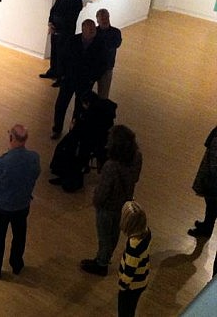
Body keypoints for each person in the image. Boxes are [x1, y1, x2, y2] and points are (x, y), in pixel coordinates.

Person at [0, 124, 40, 279]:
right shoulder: (34, 158)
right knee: (19, 235)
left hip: (2, 207)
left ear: (11, 138)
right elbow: (35, 175)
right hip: (22, 204)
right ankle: (17, 263)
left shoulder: (2, 163)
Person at [80, 125, 142, 276]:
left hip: (108, 207)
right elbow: (136, 178)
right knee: (114, 234)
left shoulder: (111, 166)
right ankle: (106, 257)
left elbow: (103, 192)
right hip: (124, 204)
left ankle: (101, 262)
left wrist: (96, 202)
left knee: (104, 235)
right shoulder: (137, 157)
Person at [48, 90, 117, 192]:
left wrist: (75, 125)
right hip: (96, 141)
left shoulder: (92, 114)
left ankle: (67, 177)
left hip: (88, 142)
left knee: (69, 150)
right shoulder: (104, 110)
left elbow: (82, 130)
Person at [51, 19, 107, 139]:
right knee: (61, 105)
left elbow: (102, 64)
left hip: (85, 82)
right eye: (90, 29)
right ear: (83, 30)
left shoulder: (99, 44)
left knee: (79, 108)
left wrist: (93, 78)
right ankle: (57, 129)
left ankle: (73, 131)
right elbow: (62, 58)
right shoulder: (73, 41)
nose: (93, 31)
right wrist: (63, 74)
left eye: (93, 29)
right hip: (69, 79)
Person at [39, 0, 83, 86]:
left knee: (62, 54)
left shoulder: (76, 0)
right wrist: (50, 23)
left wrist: (57, 28)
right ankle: (52, 71)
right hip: (55, 28)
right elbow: (54, 9)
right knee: (54, 51)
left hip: (65, 32)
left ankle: (60, 77)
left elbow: (69, 18)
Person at [117, 201, 151, 317]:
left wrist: (122, 284)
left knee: (124, 310)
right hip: (142, 278)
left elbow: (129, 270)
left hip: (132, 285)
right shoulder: (147, 232)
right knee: (131, 307)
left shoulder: (133, 245)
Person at [188, 125, 217, 238]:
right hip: (211, 177)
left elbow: (214, 162)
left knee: (212, 205)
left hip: (213, 180)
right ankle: (207, 225)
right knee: (211, 205)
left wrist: (210, 180)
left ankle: (207, 230)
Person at [95, 9, 122, 99]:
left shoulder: (116, 32)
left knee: (103, 95)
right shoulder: (94, 31)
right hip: (93, 66)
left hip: (106, 68)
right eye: (102, 18)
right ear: (97, 20)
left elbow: (115, 44)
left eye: (106, 17)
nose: (104, 20)